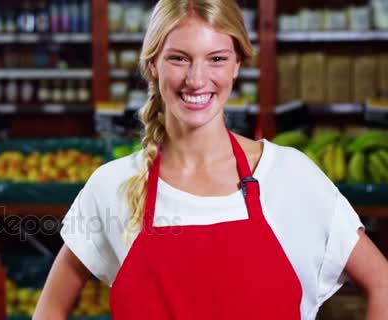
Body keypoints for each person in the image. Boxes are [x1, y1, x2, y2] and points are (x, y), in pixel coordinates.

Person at [34, 0, 388, 319]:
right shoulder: (113, 186)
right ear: (153, 65)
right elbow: (50, 307)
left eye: (216, 58)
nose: (196, 79)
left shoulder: (290, 177)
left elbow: (381, 283)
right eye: (178, 58)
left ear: (237, 65)